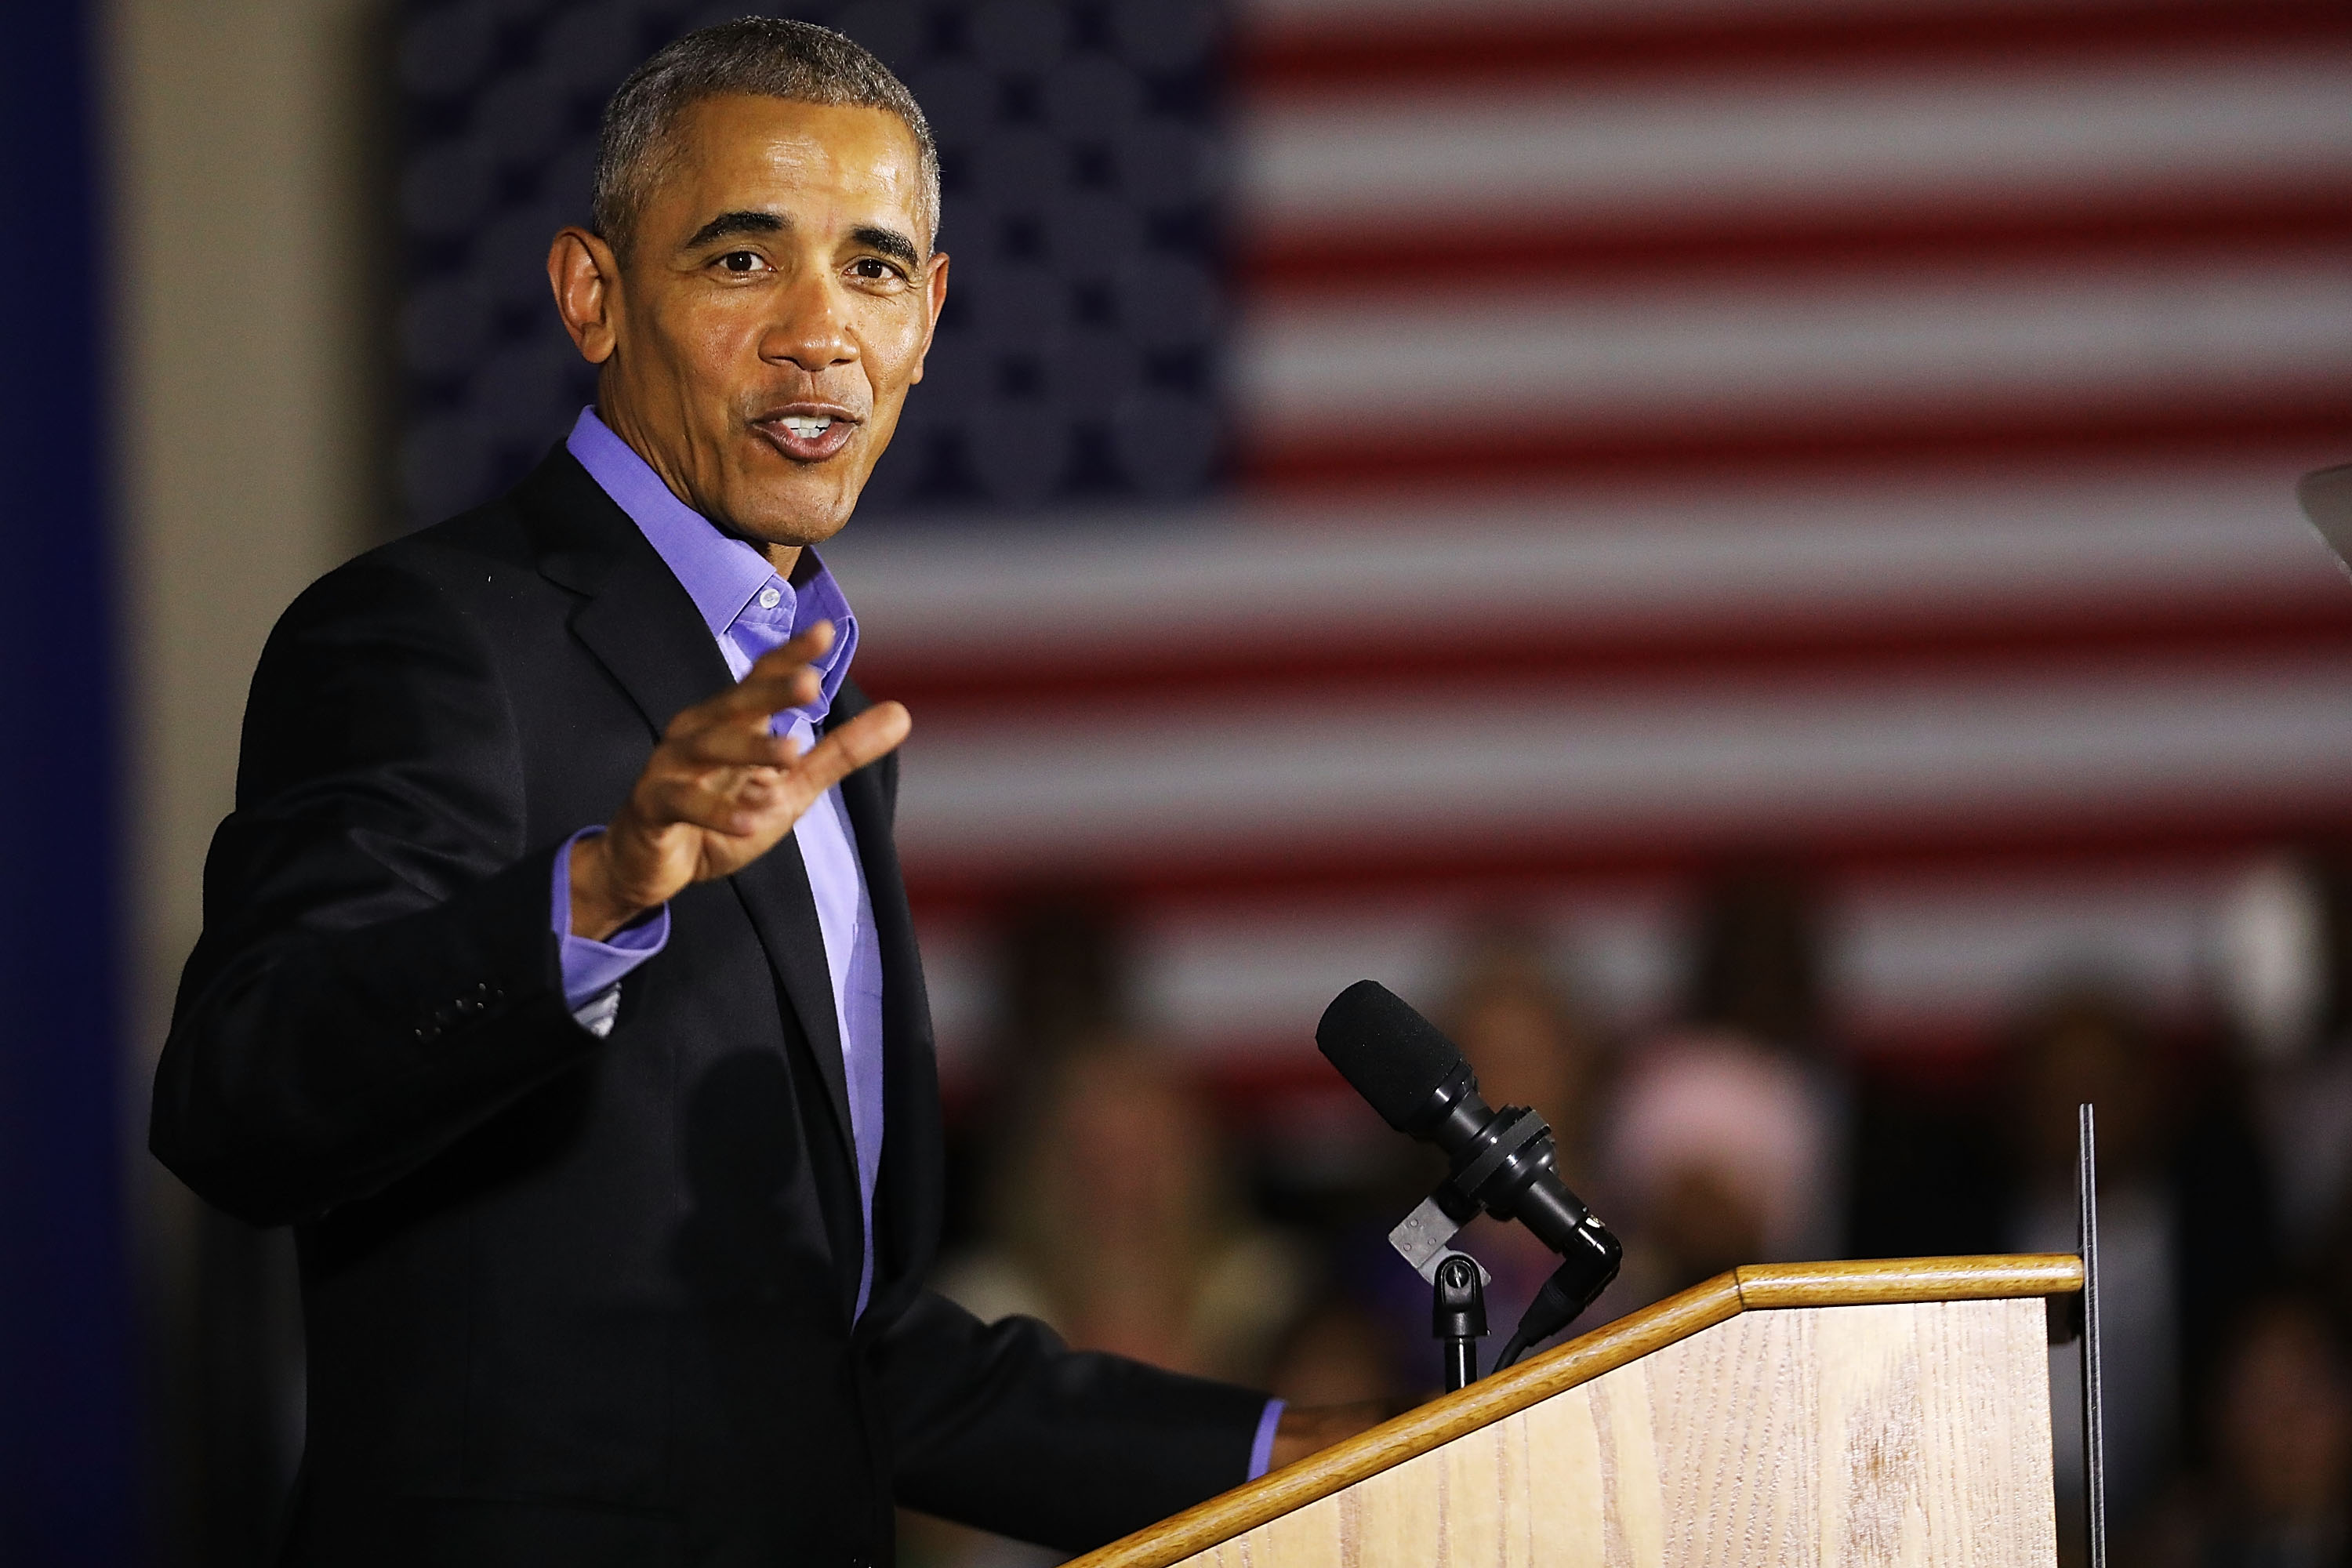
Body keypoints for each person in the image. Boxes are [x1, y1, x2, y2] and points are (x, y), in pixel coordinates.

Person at [149, 20, 1370, 1566]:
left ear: (929, 318)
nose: (818, 334)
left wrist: (1292, 1449)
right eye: (741, 262)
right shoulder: (429, 633)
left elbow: (834, 1350)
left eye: (871, 269)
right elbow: (237, 1099)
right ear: (592, 294)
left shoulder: (820, 714)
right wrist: (597, 892)